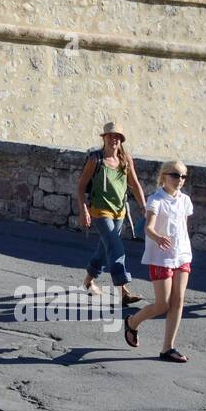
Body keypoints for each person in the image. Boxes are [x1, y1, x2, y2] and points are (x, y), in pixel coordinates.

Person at [123, 160, 194, 363]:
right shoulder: (156, 200)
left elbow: (183, 227)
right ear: (164, 176)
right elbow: (148, 227)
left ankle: (168, 348)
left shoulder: (185, 200)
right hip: (161, 257)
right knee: (162, 305)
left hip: (182, 255)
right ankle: (132, 321)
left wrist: (182, 248)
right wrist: (157, 237)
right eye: (175, 175)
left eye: (183, 176)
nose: (180, 180)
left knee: (178, 300)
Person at [76, 121, 148, 306]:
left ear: (121, 140)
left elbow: (135, 184)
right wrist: (84, 210)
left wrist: (144, 207)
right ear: (104, 138)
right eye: (110, 136)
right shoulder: (95, 160)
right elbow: (81, 187)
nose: (113, 139)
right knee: (116, 247)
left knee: (104, 248)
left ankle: (88, 281)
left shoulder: (125, 159)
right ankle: (123, 290)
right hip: (100, 212)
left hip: (120, 212)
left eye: (117, 137)